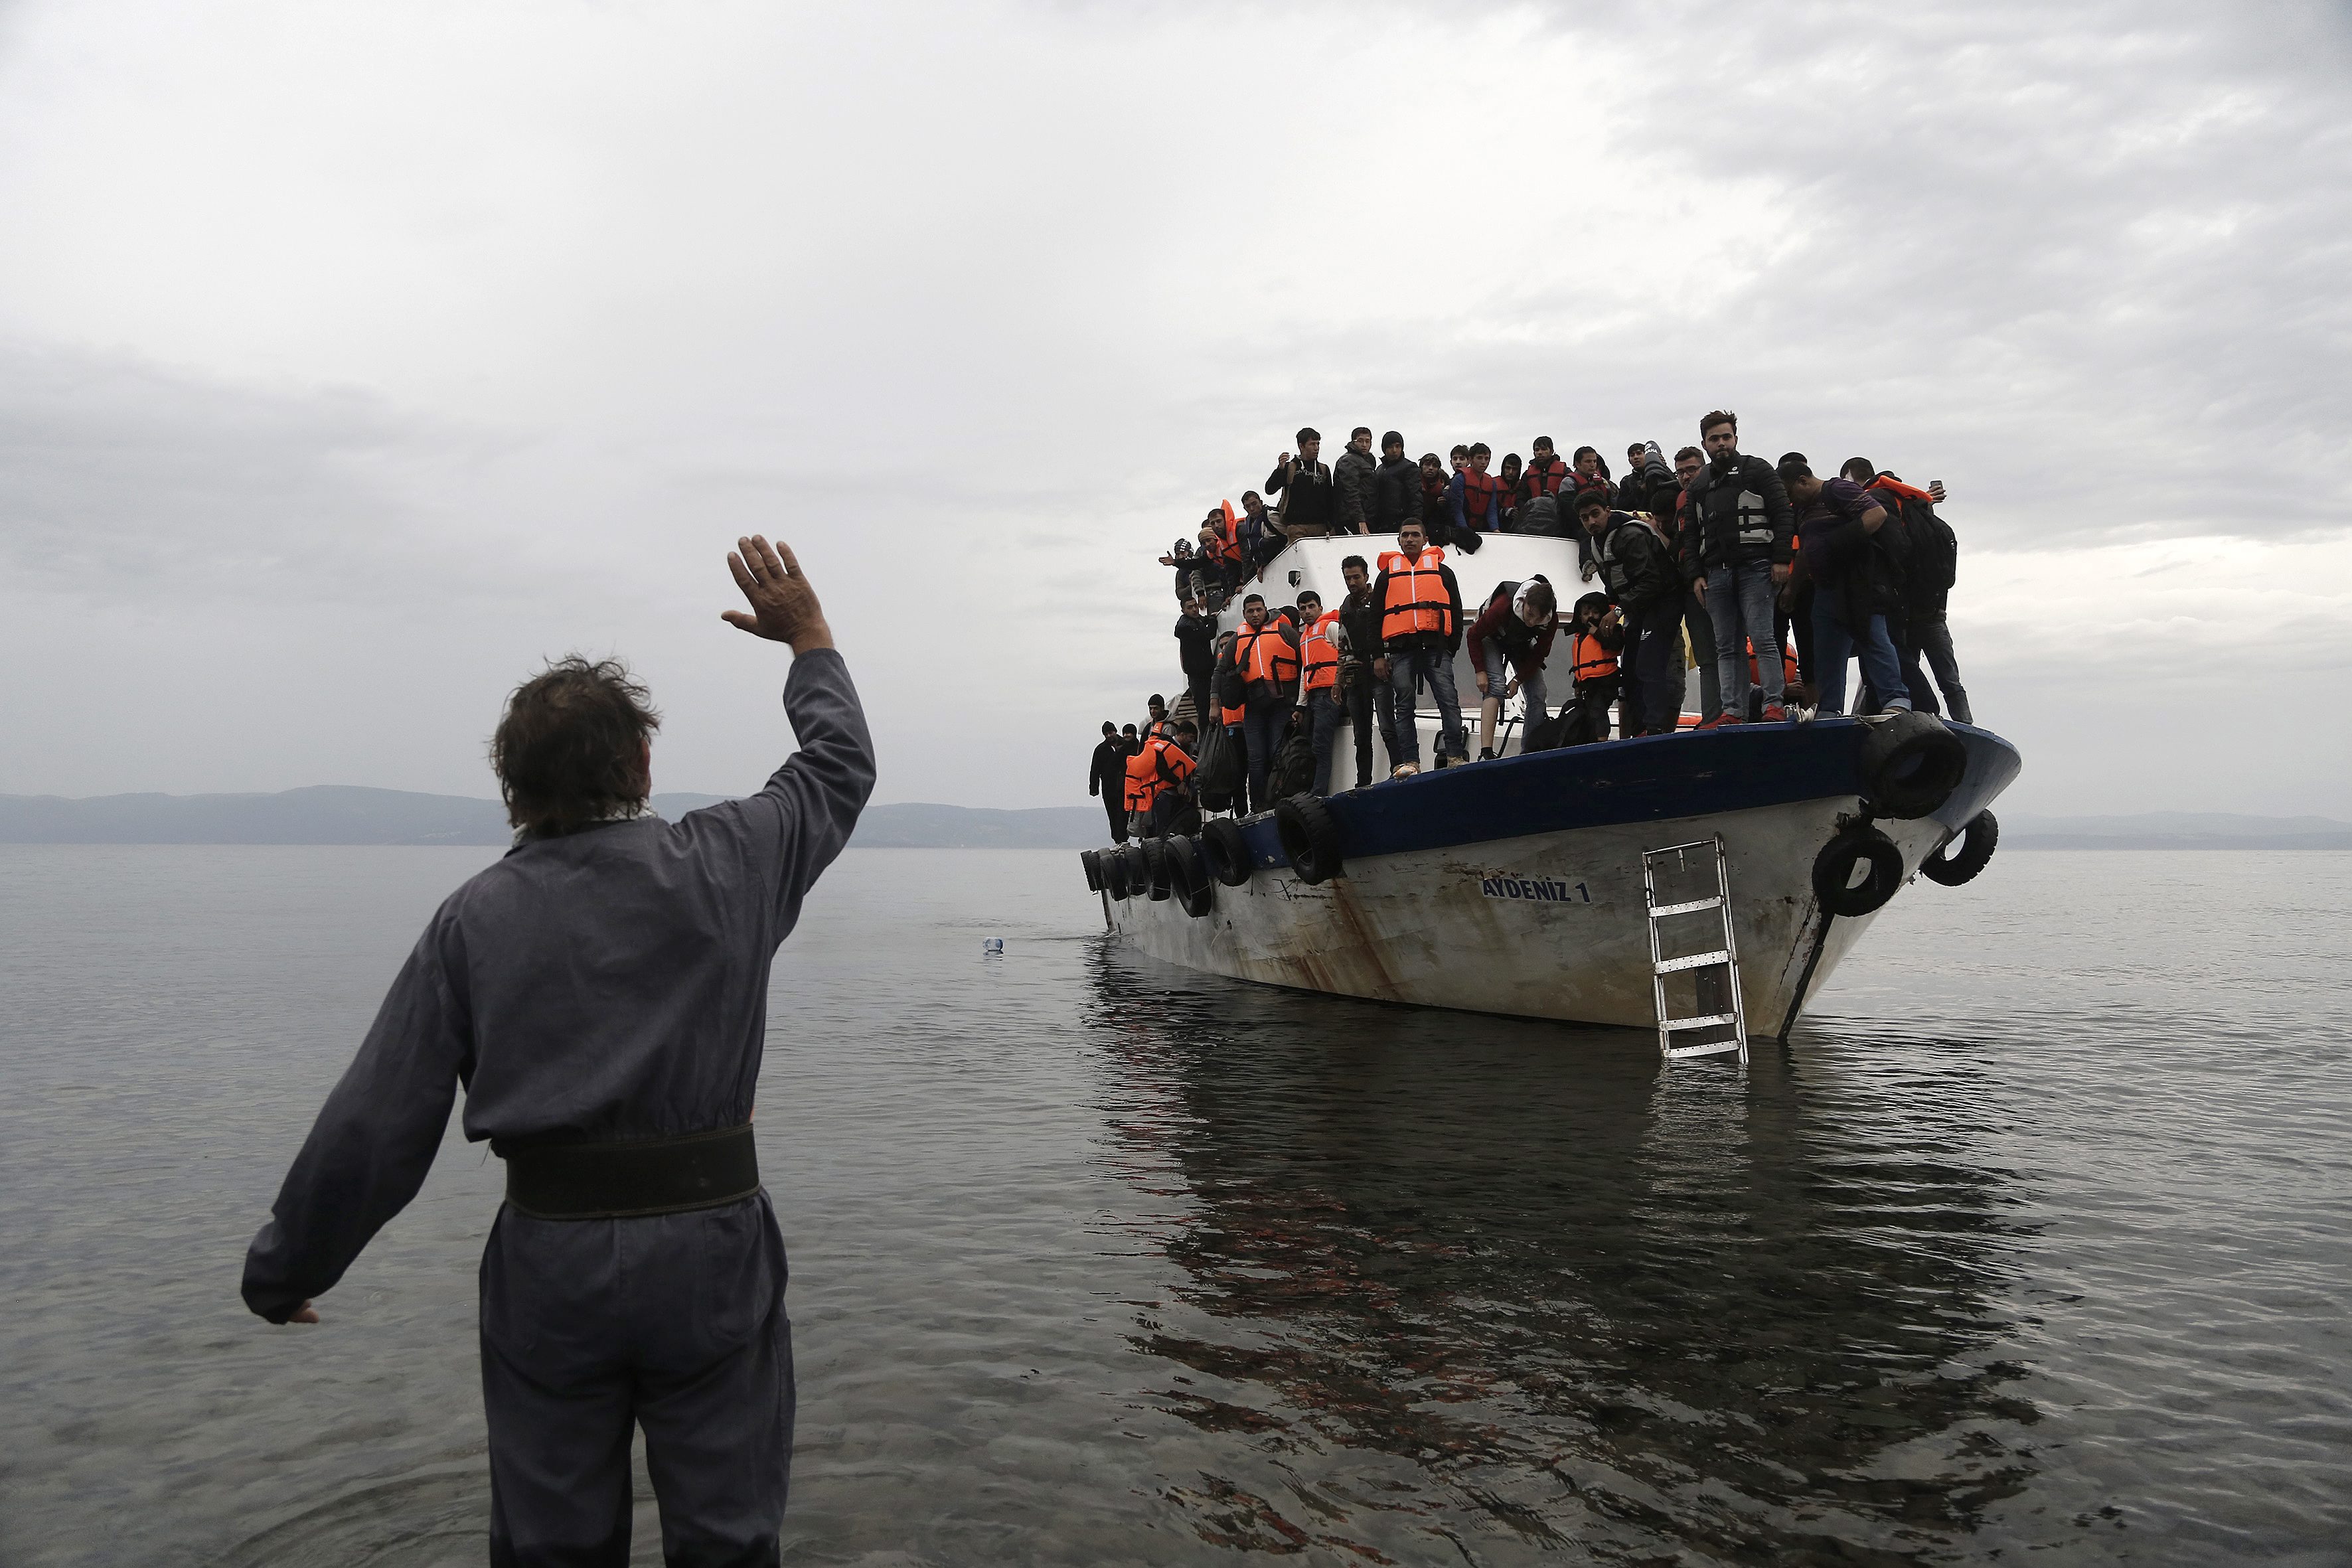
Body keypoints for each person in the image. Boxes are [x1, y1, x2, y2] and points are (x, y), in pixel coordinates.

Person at [238, 536, 870, 1567]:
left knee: (551, 1549)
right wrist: (808, 641)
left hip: (552, 1262)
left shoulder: (472, 918)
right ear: (642, 764)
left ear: (511, 785)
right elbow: (837, 766)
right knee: (729, 1541)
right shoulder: (731, 861)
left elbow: (377, 1122)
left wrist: (288, 1267)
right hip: (710, 1249)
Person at [1684, 410, 1796, 728]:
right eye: (1714, 439)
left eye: (1726, 437)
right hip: (1716, 573)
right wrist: (1695, 575)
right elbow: (1691, 533)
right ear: (1704, 443)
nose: (1721, 444)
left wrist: (1781, 560)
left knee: (1762, 638)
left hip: (1756, 568)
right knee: (1726, 646)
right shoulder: (1699, 484)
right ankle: (1732, 710)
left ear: (1736, 438)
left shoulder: (1758, 470)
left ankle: (1774, 705)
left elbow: (1782, 514)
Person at [1843, 457, 1972, 722]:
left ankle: (1910, 717)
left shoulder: (1874, 505)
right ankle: (1964, 728)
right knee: (1949, 679)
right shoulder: (1919, 511)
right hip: (1933, 608)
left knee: (1896, 664)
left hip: (1900, 609)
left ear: (1850, 477)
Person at [1782, 461, 1912, 717]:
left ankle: (1896, 700)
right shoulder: (1803, 510)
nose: (1790, 499)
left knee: (1873, 639)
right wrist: (1791, 589)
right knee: (1826, 651)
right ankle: (1830, 709)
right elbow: (1806, 552)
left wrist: (1837, 542)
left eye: (1790, 492)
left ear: (1803, 481)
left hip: (1858, 584)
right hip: (1825, 588)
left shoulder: (1838, 489)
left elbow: (1877, 515)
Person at [1580, 489, 1682, 737]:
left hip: (1663, 600)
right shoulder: (1596, 545)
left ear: (1608, 511)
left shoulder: (1630, 535)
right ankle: (1639, 729)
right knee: (1632, 667)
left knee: (1649, 664)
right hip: (1639, 606)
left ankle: (1654, 728)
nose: (1592, 522)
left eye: (1595, 514)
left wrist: (1619, 611)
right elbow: (1615, 585)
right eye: (1585, 518)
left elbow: (1651, 581)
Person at [1369, 520, 1466, 775]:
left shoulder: (1443, 572)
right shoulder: (1387, 575)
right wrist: (1378, 656)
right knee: (1404, 705)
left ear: (1425, 540)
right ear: (1398, 541)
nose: (1410, 539)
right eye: (1405, 536)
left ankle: (1455, 755)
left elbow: (1456, 609)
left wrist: (1452, 646)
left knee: (1448, 701)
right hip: (1401, 650)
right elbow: (1376, 617)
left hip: (1436, 648)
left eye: (1415, 535)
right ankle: (1411, 762)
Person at [1466, 576, 1557, 759]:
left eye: (1538, 619)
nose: (1532, 622)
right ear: (1524, 602)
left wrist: (1518, 679)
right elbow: (1473, 636)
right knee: (1496, 685)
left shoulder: (1550, 621)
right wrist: (1480, 670)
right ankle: (1486, 751)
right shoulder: (1504, 606)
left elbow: (1540, 654)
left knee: (1539, 691)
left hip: (1520, 643)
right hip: (1491, 638)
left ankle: (1530, 751)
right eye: (1530, 615)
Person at [1229, 592, 1300, 811]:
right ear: (1244, 614)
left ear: (1265, 609)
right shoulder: (1238, 637)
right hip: (1254, 706)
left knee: (1276, 754)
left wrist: (1300, 702)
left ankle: (1277, 798)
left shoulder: (1283, 630)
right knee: (1256, 759)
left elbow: (1302, 660)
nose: (1255, 614)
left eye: (1259, 609)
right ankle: (1258, 805)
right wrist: (1215, 701)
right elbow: (1221, 670)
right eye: (1250, 611)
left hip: (1281, 704)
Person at [1334, 553, 1395, 789]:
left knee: (1388, 726)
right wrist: (1338, 680)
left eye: (1356, 577)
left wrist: (1386, 660)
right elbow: (1342, 644)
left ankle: (1398, 769)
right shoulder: (1345, 606)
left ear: (1366, 576)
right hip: (1354, 675)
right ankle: (1363, 783)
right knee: (1361, 737)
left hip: (1379, 672)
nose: (1351, 583)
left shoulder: (1380, 599)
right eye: (1347, 578)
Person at [1293, 589, 1349, 795]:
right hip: (1314, 696)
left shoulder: (1330, 627)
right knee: (1312, 747)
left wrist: (1339, 684)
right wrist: (1301, 704)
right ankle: (1313, 790)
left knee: (1320, 747)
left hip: (1329, 694)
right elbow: (1304, 673)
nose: (1307, 612)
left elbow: (1345, 655)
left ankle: (1318, 793)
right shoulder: (1305, 637)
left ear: (1320, 608)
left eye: (1311, 607)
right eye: (1302, 609)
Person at [1565, 592, 1624, 745]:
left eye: (1595, 612)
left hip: (1606, 681)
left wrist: (1597, 633)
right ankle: (1590, 742)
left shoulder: (1611, 630)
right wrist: (1577, 684)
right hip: (1588, 684)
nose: (1590, 617)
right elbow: (1579, 665)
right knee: (1590, 714)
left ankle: (1601, 743)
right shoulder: (1581, 636)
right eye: (1586, 614)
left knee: (1598, 711)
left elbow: (1616, 645)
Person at [1266, 428, 1338, 541]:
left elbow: (1330, 499)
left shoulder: (1323, 469)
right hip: (1297, 528)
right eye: (1312, 444)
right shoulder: (1290, 467)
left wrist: (1333, 525)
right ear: (1302, 446)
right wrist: (1280, 469)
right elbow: (1269, 489)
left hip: (1321, 527)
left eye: (1318, 444)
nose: (1316, 448)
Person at [1146, 721, 1198, 836]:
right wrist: (1178, 783)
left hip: (1176, 796)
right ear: (1183, 735)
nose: (1192, 741)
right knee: (1162, 828)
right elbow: (1161, 768)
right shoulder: (1164, 745)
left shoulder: (1184, 750)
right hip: (1163, 794)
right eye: (1191, 737)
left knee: (1173, 828)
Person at [1174, 596, 1218, 727]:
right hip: (1198, 674)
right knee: (1204, 709)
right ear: (1183, 610)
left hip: (1201, 671)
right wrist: (1213, 620)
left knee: (1205, 707)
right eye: (1190, 607)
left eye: (1195, 606)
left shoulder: (1193, 621)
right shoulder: (1187, 627)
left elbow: (1202, 624)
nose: (1194, 609)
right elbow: (1209, 634)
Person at [1449, 443, 1504, 540]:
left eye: (1486, 459)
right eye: (1479, 458)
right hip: (1460, 526)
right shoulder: (1459, 479)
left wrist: (1496, 530)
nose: (1483, 462)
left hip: (1480, 527)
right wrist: (1465, 530)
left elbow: (1492, 510)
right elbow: (1457, 509)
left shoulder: (1491, 483)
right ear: (1471, 460)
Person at [1089, 720, 1131, 843]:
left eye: (1110, 733)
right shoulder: (1101, 749)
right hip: (1109, 789)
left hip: (1125, 788)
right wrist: (1094, 788)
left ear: (1115, 731)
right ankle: (1117, 841)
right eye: (1106, 734)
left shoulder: (1127, 745)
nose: (1109, 736)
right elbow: (1095, 770)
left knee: (1124, 816)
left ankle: (1123, 839)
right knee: (1112, 816)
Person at [1332, 426, 1378, 536]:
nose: (1364, 445)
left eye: (1367, 441)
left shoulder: (1366, 460)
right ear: (1353, 442)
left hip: (1366, 515)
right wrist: (1360, 519)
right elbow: (1351, 492)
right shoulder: (1348, 461)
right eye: (1360, 441)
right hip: (1352, 519)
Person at [1372, 432, 1419, 534]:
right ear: (1384, 449)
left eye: (1398, 446)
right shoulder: (1380, 469)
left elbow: (1416, 498)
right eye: (1391, 447)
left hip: (1401, 523)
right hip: (1381, 523)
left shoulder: (1409, 468)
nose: (1394, 451)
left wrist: (1415, 524)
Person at [1616, 443, 1653, 510]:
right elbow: (1621, 506)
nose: (1636, 457)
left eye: (1639, 453)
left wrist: (1662, 466)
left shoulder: (1657, 474)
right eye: (1632, 455)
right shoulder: (1626, 481)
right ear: (1629, 460)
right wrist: (1640, 490)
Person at [1495, 453, 1524, 529]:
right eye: (1508, 468)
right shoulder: (1493, 485)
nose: (1511, 472)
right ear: (1503, 468)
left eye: (1514, 469)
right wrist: (1504, 512)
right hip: (1497, 529)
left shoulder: (1524, 487)